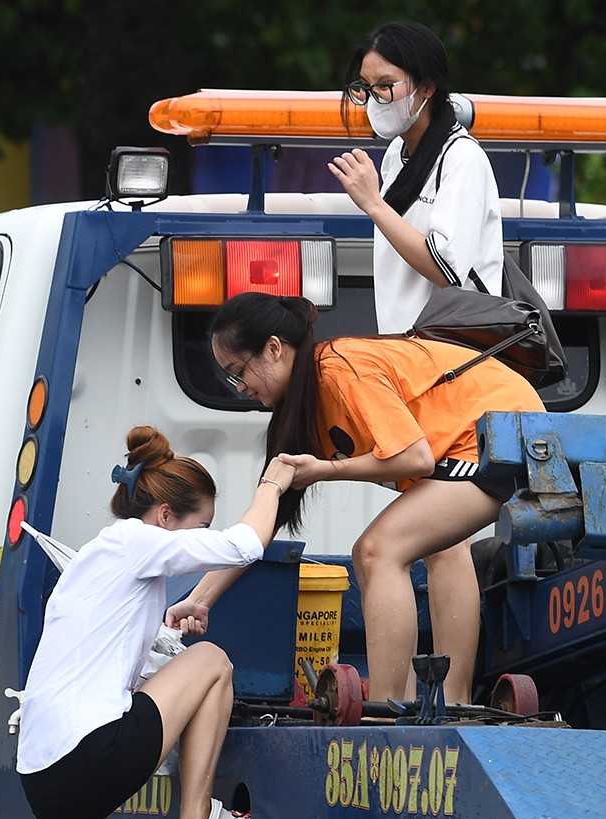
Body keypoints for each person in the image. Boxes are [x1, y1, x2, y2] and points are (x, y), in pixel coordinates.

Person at [18, 426, 297, 819]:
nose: (202, 538)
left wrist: (174, 620)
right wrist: (274, 482)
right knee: (215, 660)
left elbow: (113, 656)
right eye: (199, 526)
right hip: (91, 748)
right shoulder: (139, 542)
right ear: (166, 516)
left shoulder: (96, 560)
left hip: (43, 771)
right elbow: (246, 545)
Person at [172, 292, 543, 707]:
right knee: (443, 546)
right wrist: (199, 600)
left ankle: (389, 707)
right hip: (479, 439)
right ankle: (437, 705)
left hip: (503, 429)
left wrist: (325, 469)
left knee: (375, 551)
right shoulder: (297, 412)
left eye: (238, 372)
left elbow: (413, 456)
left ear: (274, 349)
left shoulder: (337, 369)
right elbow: (261, 525)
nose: (240, 388)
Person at [331, 20, 502, 333]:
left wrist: (373, 203)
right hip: (404, 349)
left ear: (427, 87)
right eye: (365, 88)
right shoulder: (396, 154)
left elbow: (445, 270)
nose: (373, 100)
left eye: (385, 86)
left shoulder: (462, 159)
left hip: (452, 356)